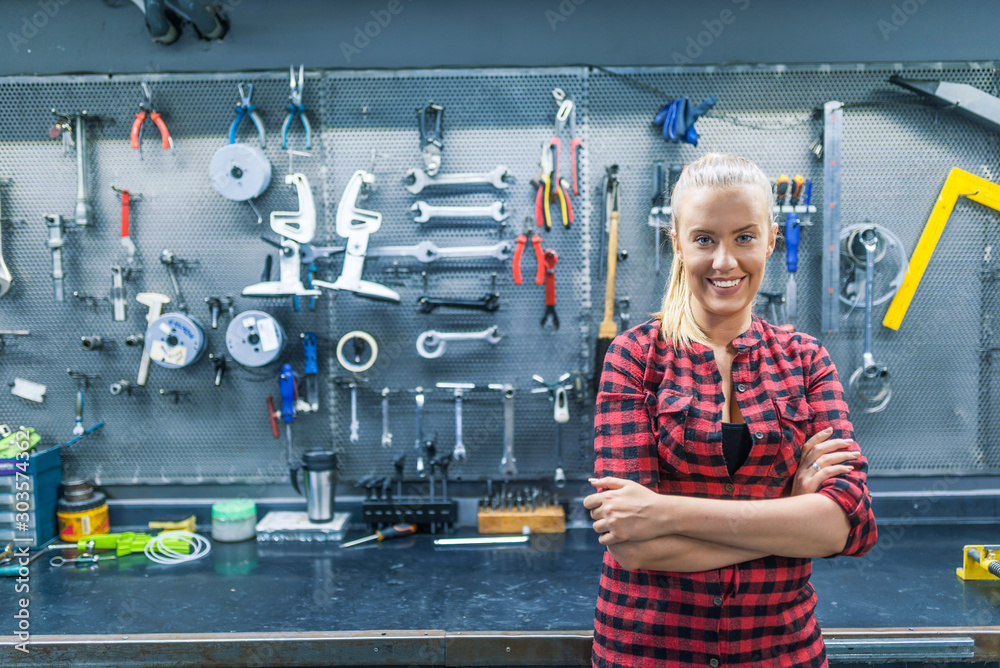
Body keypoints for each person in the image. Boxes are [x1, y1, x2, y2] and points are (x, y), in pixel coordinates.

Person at [583, 153, 877, 667]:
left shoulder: (805, 361)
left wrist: (664, 512)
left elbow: (845, 527)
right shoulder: (634, 357)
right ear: (677, 243)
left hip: (778, 652)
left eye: (744, 237)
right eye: (704, 239)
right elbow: (631, 543)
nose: (724, 261)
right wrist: (789, 517)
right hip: (650, 651)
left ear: (771, 240)